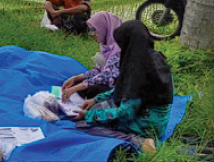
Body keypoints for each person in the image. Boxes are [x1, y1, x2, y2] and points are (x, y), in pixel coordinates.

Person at [73, 21, 174, 154]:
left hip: (147, 126)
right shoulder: (153, 57)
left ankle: (140, 142)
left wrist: (89, 115)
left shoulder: (137, 69)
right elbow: (122, 89)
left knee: (85, 125)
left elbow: (125, 113)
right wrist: (96, 100)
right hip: (157, 118)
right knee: (99, 107)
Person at [62, 12, 122, 102]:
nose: (94, 34)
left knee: (92, 89)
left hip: (116, 87)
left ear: (104, 29)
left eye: (96, 30)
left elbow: (106, 76)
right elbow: (98, 69)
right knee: (79, 83)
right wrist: (77, 78)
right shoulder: (106, 47)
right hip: (106, 81)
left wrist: (76, 88)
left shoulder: (118, 50)